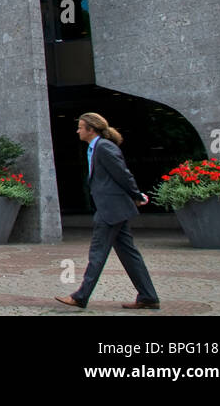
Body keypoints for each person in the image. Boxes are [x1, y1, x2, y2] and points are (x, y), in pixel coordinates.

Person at [57, 112, 160, 310]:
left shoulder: (104, 147)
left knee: (98, 253)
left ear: (91, 129)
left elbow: (122, 173)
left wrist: (136, 195)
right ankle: (148, 296)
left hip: (110, 210)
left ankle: (80, 296)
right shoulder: (95, 148)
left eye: (80, 127)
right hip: (112, 208)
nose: (77, 130)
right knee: (129, 254)